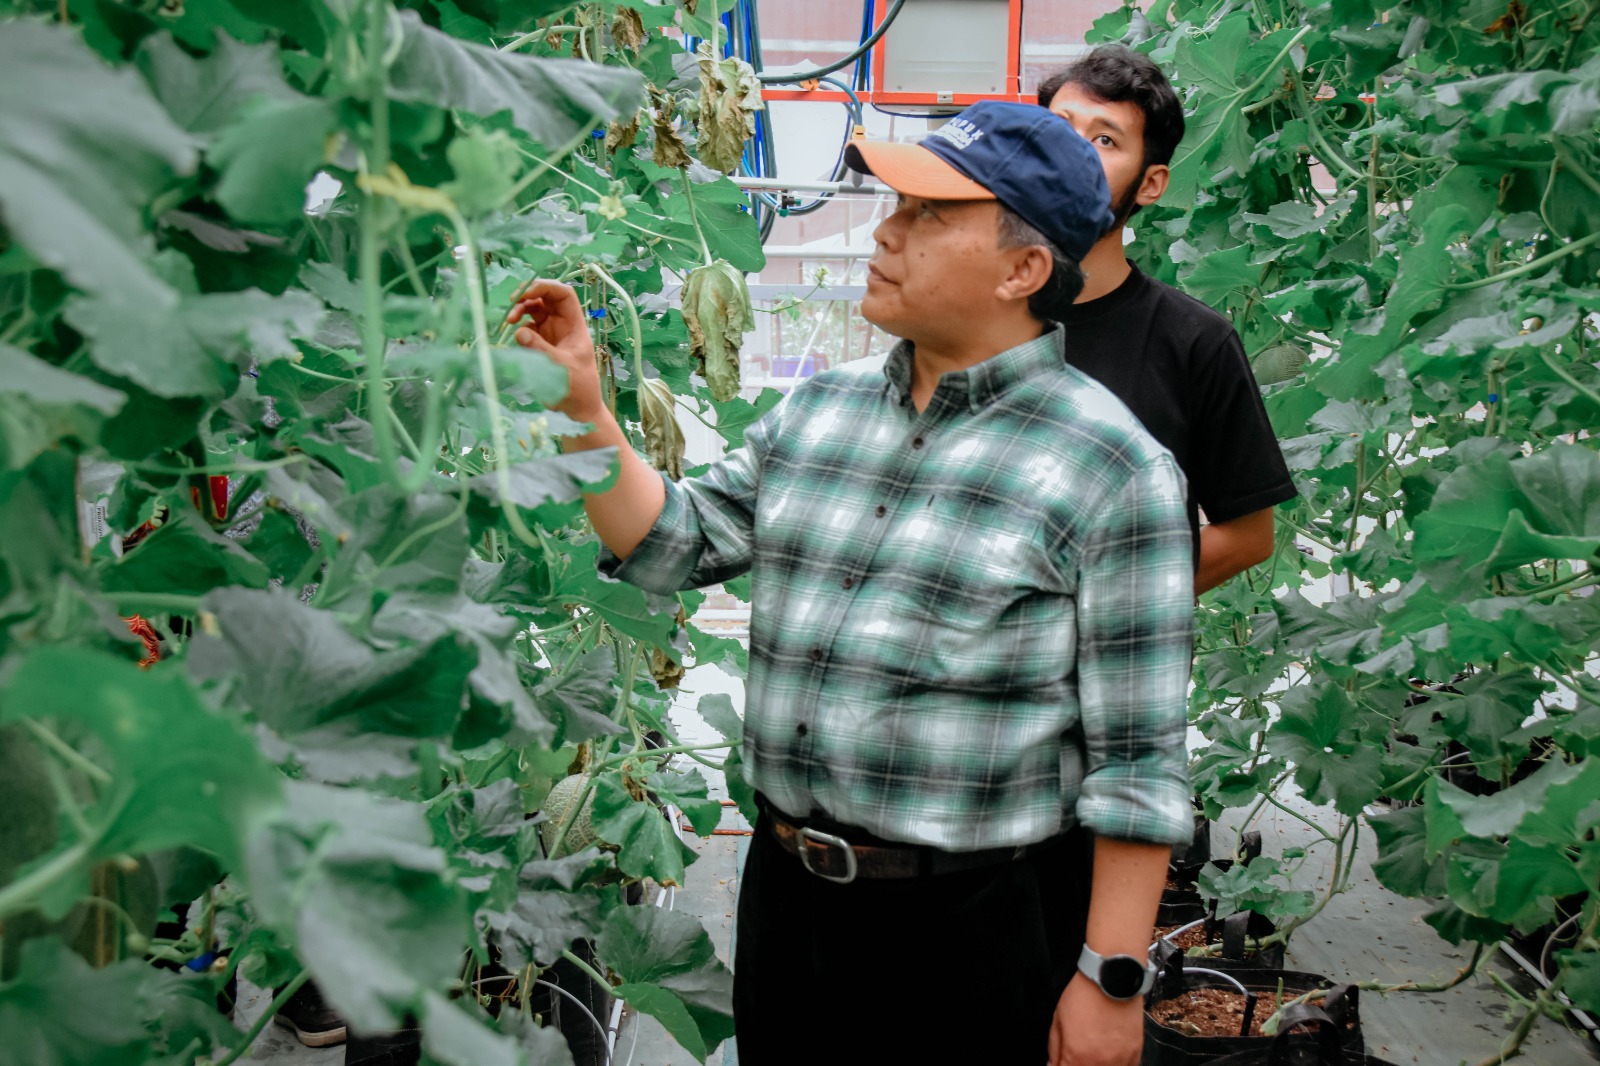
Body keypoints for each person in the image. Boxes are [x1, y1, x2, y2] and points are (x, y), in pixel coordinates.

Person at [508, 102, 1194, 1065]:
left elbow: (1140, 765)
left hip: (969, 930)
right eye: (894, 205)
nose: (885, 230)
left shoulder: (1112, 469)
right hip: (789, 901)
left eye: (927, 214)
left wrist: (1109, 980)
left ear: (1023, 270)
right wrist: (585, 409)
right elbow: (672, 545)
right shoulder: (818, 415)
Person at [1039, 45, 1298, 593]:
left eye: (1104, 139)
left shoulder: (1195, 341)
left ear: (1151, 184)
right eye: (1057, 128)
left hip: (1110, 669)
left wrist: (1086, 603)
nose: (1071, 154)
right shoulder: (966, 312)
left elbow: (1249, 535)